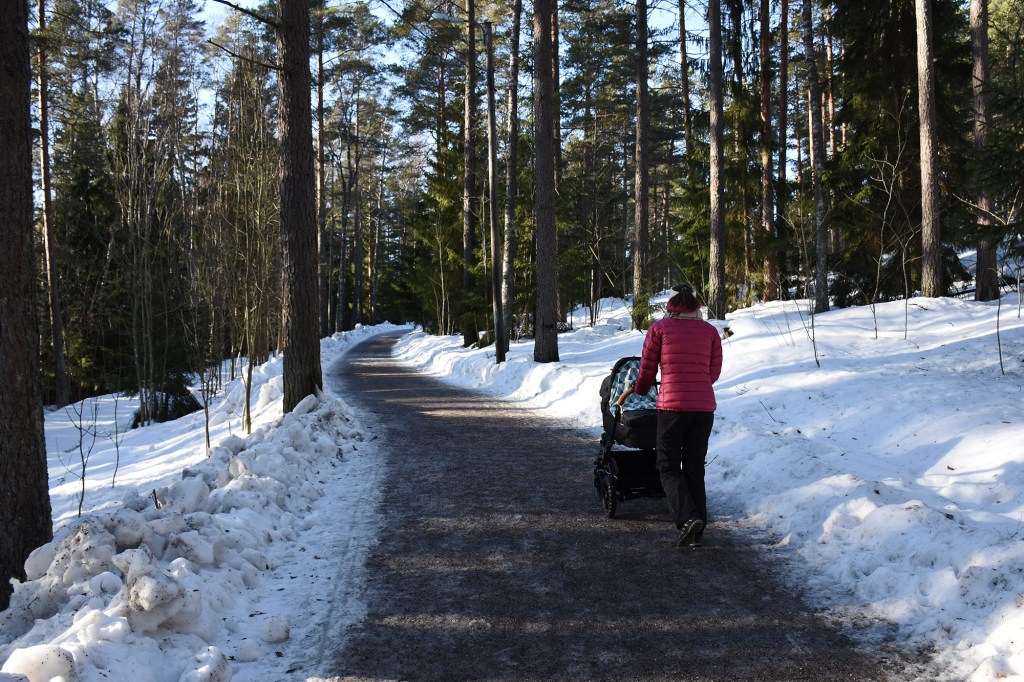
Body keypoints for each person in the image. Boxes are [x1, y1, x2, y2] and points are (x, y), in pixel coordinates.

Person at [621, 285, 723, 547]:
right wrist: (697, 385)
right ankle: (697, 528)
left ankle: (687, 518)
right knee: (694, 467)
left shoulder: (660, 329)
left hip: (672, 409)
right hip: (703, 409)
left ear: (672, 308)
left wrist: (641, 389)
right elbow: (713, 373)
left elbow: (646, 368)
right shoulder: (711, 332)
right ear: (696, 309)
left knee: (666, 465)